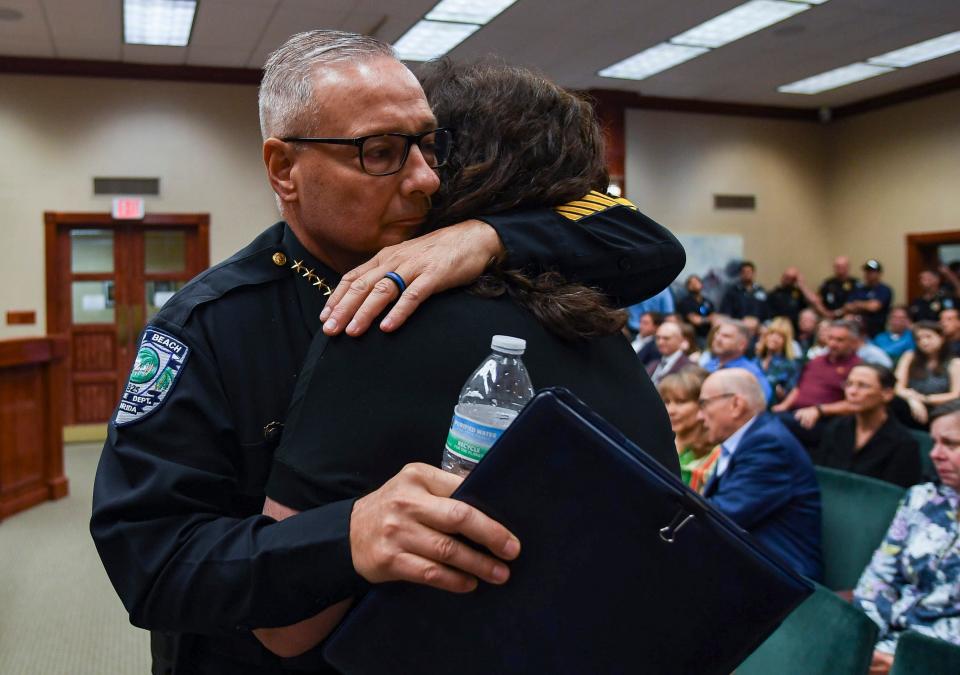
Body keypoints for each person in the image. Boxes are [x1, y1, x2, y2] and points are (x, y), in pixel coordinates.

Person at [89, 31, 686, 675]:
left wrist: (489, 235)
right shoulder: (212, 325)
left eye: (431, 146)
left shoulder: (452, 259)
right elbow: (152, 561)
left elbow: (641, 238)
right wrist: (343, 536)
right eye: (381, 153)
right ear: (284, 169)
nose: (426, 179)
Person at [256, 58, 682, 659]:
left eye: (417, 149)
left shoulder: (387, 324)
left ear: (439, 167)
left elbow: (285, 626)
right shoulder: (601, 325)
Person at [853, 400, 960, 674]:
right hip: (884, 642)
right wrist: (864, 640)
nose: (935, 454)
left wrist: (909, 660)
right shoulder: (921, 498)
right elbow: (879, 577)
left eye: (950, 444)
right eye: (934, 442)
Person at [698, 369, 823, 579]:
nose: (699, 416)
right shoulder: (751, 438)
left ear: (736, 405)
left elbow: (721, 517)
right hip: (746, 561)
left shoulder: (768, 444)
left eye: (704, 404)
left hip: (780, 578)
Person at [812, 364, 921, 488]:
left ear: (887, 394)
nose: (852, 392)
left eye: (863, 386)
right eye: (849, 384)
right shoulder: (836, 428)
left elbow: (895, 494)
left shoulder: (904, 443)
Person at [772, 320, 863, 447]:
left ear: (853, 343)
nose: (833, 344)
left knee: (774, 424)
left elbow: (857, 404)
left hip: (825, 421)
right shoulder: (815, 361)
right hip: (795, 414)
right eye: (830, 338)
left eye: (839, 340)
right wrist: (784, 406)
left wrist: (819, 410)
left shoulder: (858, 368)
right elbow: (799, 388)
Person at [658, 367, 719, 493]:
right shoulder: (658, 442)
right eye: (667, 402)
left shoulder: (715, 454)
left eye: (680, 402)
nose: (671, 410)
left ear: (702, 405)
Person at [894, 321, 960, 426]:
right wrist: (912, 399)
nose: (924, 342)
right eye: (919, 339)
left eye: (928, 337)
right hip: (912, 406)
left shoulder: (954, 363)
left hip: (942, 407)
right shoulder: (909, 356)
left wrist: (925, 399)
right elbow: (898, 387)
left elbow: (955, 394)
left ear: (941, 338)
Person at [703, 319, 773, 403]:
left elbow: (761, 402)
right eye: (717, 334)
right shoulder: (708, 366)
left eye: (726, 336)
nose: (717, 339)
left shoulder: (750, 373)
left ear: (742, 345)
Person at [753, 317, 800, 404]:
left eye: (780, 336)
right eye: (772, 333)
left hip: (771, 409)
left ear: (786, 341)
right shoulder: (756, 359)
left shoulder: (790, 365)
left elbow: (790, 393)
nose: (774, 338)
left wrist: (781, 392)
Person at [844, 259, 893, 338]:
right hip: (857, 329)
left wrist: (857, 304)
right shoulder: (858, 288)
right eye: (867, 271)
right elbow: (847, 306)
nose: (868, 274)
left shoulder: (884, 289)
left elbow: (874, 307)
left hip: (876, 330)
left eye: (872, 271)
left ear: (879, 273)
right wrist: (866, 305)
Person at [767, 267, 825, 331]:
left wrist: (802, 286)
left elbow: (815, 302)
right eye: (786, 277)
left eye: (792, 278)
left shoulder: (800, 292)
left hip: (798, 328)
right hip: (779, 326)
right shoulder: (774, 293)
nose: (787, 280)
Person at [677, 274, 715, 343]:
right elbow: (695, 321)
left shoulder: (707, 301)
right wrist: (709, 319)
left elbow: (714, 317)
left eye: (697, 282)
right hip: (695, 337)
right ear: (688, 287)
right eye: (692, 283)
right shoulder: (685, 303)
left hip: (709, 334)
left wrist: (708, 319)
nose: (695, 284)